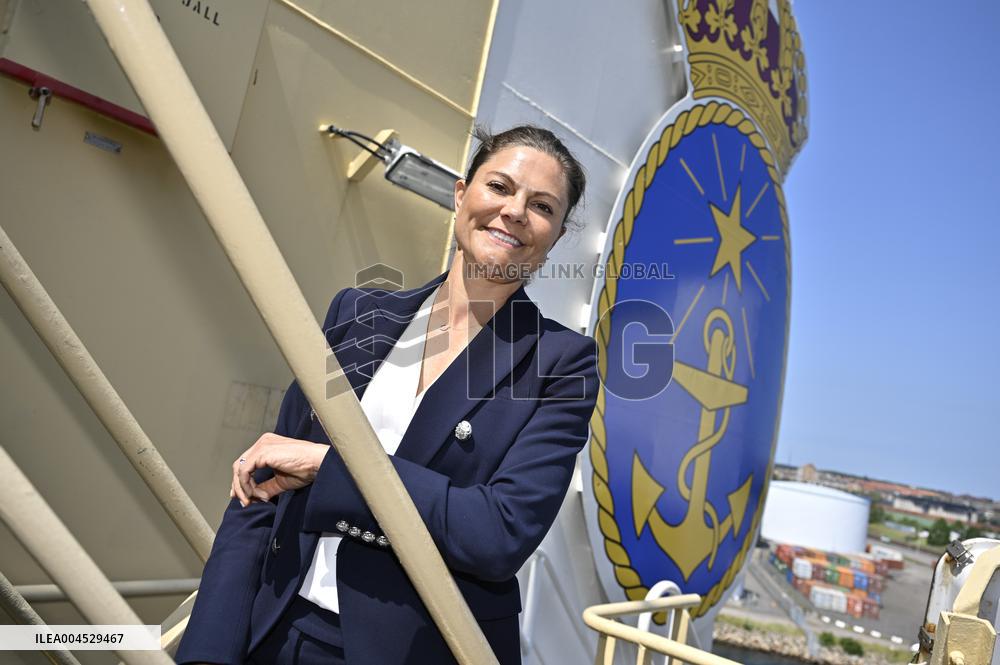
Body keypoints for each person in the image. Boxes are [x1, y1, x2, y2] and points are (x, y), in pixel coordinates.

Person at [176, 126, 599, 664]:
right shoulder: (358, 316)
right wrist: (208, 652)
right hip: (275, 631)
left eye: (541, 205)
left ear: (556, 236)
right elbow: (259, 496)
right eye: (499, 186)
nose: (514, 211)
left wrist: (332, 469)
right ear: (460, 194)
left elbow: (498, 533)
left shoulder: (560, 366)